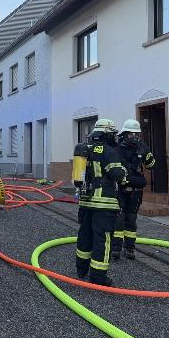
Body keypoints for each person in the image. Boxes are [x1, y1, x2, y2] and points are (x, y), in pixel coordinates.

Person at [72, 118, 127, 286]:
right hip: (104, 204)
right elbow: (117, 174)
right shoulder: (109, 151)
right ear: (107, 134)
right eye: (113, 134)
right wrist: (124, 171)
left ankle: (81, 269)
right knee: (102, 239)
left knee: (85, 235)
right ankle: (98, 275)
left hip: (85, 201)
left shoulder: (84, 148)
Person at [111, 119, 155, 260]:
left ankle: (129, 249)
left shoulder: (141, 147)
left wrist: (146, 152)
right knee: (119, 220)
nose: (135, 137)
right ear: (124, 134)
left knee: (131, 220)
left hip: (135, 191)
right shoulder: (117, 148)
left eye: (137, 134)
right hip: (120, 190)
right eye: (131, 134)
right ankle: (116, 249)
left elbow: (151, 165)